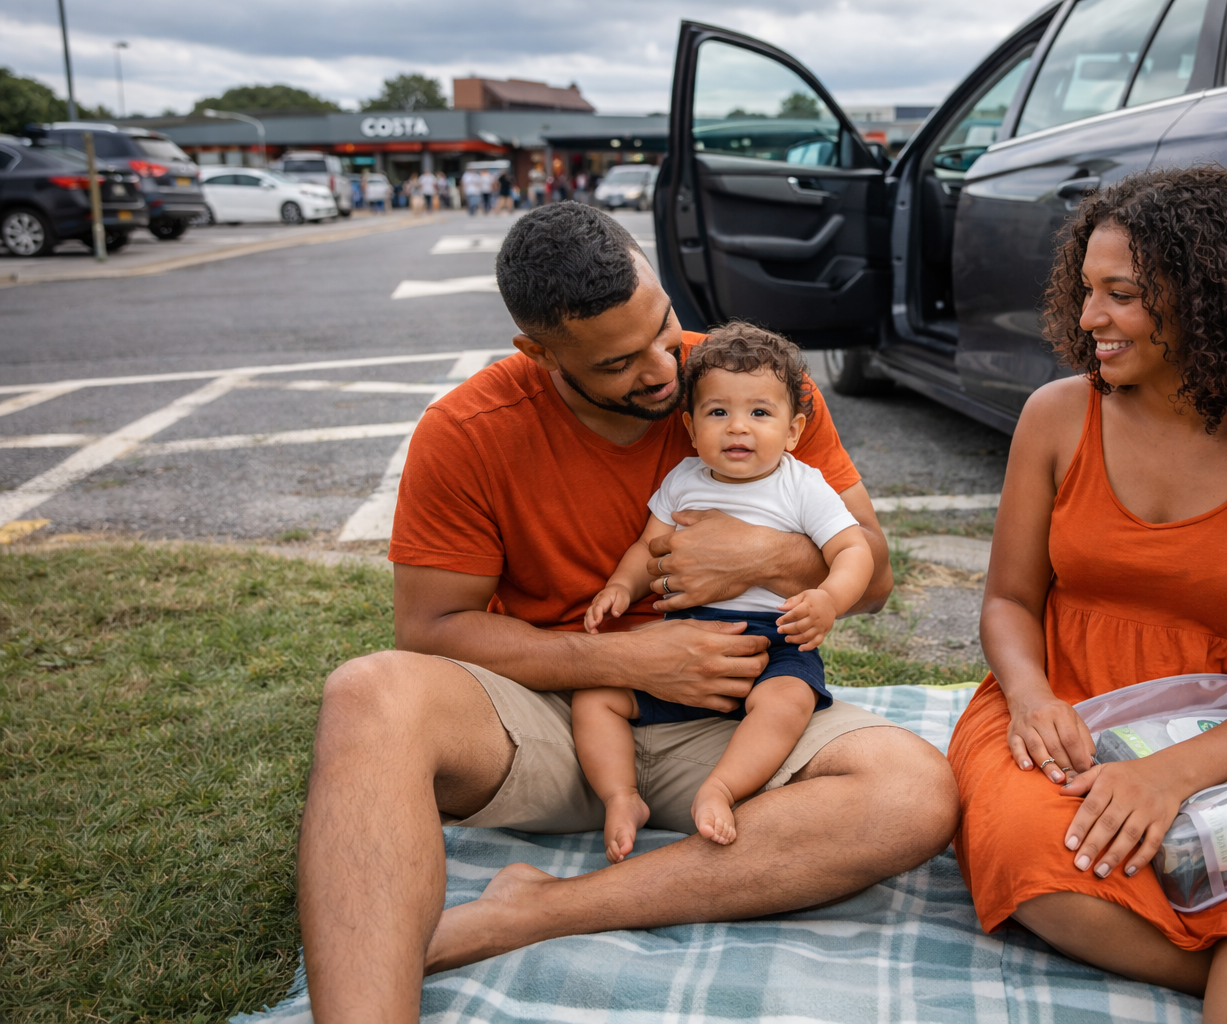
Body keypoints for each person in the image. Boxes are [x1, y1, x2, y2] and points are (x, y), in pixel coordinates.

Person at [295, 202, 958, 1022]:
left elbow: (878, 578)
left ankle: (536, 909)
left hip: (731, 717)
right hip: (558, 718)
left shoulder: (747, 386)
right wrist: (619, 660)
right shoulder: (465, 431)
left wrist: (771, 559)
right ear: (537, 352)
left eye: (663, 328)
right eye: (617, 363)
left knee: (913, 793)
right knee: (369, 692)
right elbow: (430, 631)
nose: (661, 370)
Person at [946, 165, 1227, 1023]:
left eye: (1121, 294)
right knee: (1031, 851)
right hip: (1066, 705)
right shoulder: (1056, 416)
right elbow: (1009, 600)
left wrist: (1169, 779)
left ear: (1213, 301)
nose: (1088, 321)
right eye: (1086, 290)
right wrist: (1032, 697)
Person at [576, 324, 875, 863]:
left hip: (775, 639)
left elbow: (855, 551)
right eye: (718, 413)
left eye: (760, 413)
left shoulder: (801, 484)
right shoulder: (683, 480)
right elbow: (650, 549)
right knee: (595, 697)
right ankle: (621, 796)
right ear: (690, 427)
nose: (738, 427)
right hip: (686, 637)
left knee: (786, 701)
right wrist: (621, 586)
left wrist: (829, 599)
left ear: (793, 429)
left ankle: (723, 787)